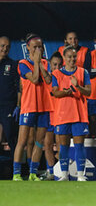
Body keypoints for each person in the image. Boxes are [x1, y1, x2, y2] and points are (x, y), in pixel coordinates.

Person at [13, 33, 53, 181]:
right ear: (28, 47)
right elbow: (35, 80)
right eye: (35, 47)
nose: (38, 49)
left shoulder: (46, 63)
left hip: (44, 106)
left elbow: (48, 80)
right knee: (22, 141)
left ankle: (32, 174)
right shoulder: (22, 63)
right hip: (29, 106)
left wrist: (41, 64)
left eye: (40, 47)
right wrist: (36, 63)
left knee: (39, 141)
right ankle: (16, 174)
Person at [52, 45, 91, 181]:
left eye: (74, 56)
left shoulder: (83, 72)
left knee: (79, 145)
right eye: (69, 56)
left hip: (79, 114)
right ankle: (64, 175)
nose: (72, 59)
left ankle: (80, 175)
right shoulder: (57, 74)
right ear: (64, 57)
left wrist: (77, 86)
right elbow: (55, 92)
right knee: (64, 146)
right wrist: (66, 92)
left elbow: (89, 92)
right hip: (62, 115)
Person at [40, 51, 63, 180]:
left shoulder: (64, 78)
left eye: (60, 65)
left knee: (60, 146)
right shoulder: (46, 78)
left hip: (60, 115)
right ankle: (51, 172)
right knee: (47, 144)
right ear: (50, 64)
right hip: (48, 115)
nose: (57, 68)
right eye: (54, 65)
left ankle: (60, 171)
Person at [0, 36, 19, 157]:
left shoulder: (12, 65)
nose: (5, 48)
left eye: (7, 46)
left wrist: (18, 105)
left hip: (8, 107)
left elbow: (18, 88)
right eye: (2, 45)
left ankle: (16, 171)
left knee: (11, 138)